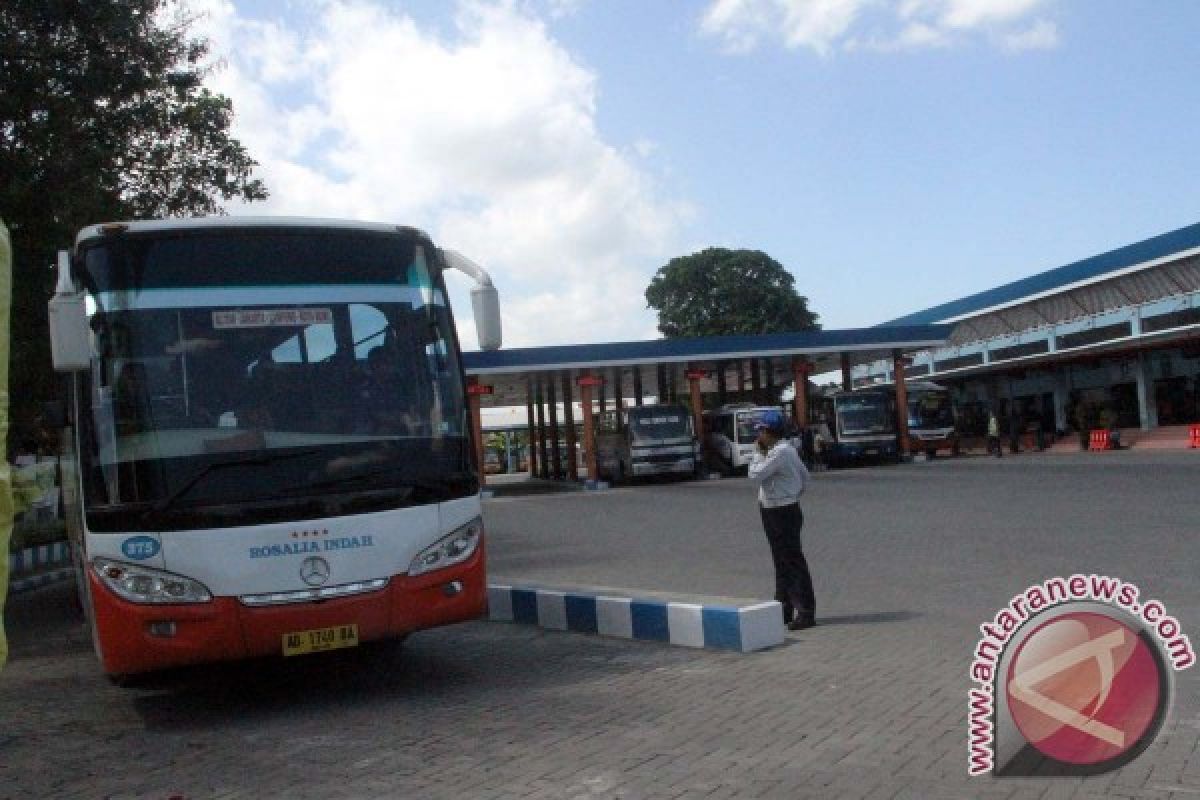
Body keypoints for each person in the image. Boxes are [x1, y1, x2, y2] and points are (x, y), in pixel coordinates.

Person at [747, 409, 815, 631]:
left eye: (761, 431)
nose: (758, 436)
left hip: (782, 510)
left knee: (792, 560)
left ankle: (805, 611)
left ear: (770, 432)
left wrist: (758, 453)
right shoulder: (782, 450)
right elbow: (805, 478)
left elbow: (755, 475)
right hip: (774, 508)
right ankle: (783, 607)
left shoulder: (780, 452)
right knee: (781, 560)